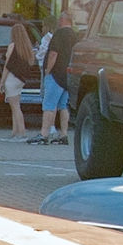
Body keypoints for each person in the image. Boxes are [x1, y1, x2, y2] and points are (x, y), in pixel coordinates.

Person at [32, 10, 76, 144]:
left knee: (49, 105)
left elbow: (53, 54)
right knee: (63, 106)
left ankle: (44, 134)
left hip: (55, 74)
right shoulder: (75, 36)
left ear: (62, 21)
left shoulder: (59, 34)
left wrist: (47, 70)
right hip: (67, 75)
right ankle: (63, 134)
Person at [0, 20, 37, 140]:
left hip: (11, 78)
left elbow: (7, 65)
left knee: (15, 107)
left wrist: (2, 81)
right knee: (16, 105)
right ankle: (15, 132)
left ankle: (21, 132)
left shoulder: (12, 46)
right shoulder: (26, 48)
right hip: (20, 80)